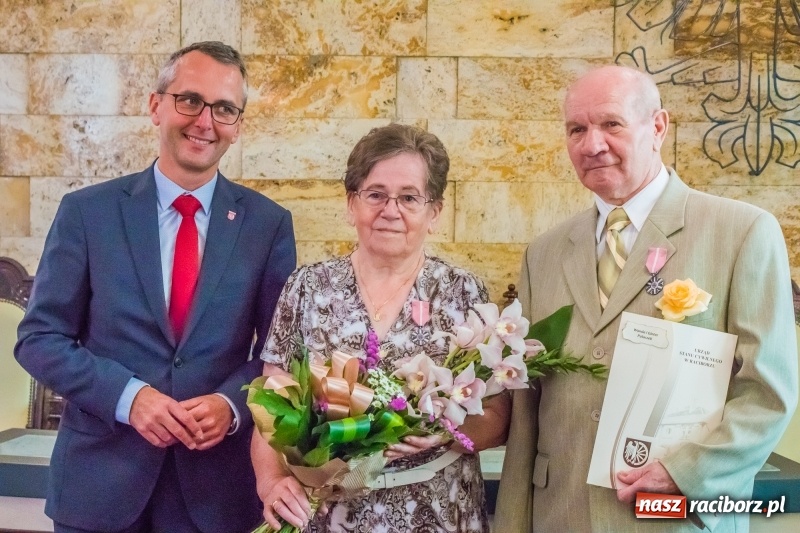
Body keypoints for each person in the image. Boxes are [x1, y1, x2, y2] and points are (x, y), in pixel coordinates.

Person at [494, 65, 798, 532]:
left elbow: (767, 392)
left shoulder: (742, 232)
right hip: (560, 516)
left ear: (657, 127)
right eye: (577, 129)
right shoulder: (545, 253)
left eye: (611, 124)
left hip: (673, 518)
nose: (591, 144)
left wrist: (686, 472)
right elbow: (527, 412)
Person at [15, 41, 296, 533]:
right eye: (190, 100)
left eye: (225, 108)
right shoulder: (87, 213)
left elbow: (280, 353)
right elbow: (39, 339)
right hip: (99, 485)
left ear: (238, 124)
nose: (205, 121)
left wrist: (231, 404)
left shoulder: (267, 225)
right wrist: (129, 397)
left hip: (216, 496)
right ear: (155, 106)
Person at [251, 123, 509, 532]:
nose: (391, 210)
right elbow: (271, 407)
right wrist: (272, 482)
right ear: (351, 203)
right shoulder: (307, 287)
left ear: (435, 212)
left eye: (409, 197)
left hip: (438, 511)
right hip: (330, 513)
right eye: (375, 194)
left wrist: (444, 432)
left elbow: (497, 414)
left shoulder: (463, 291)